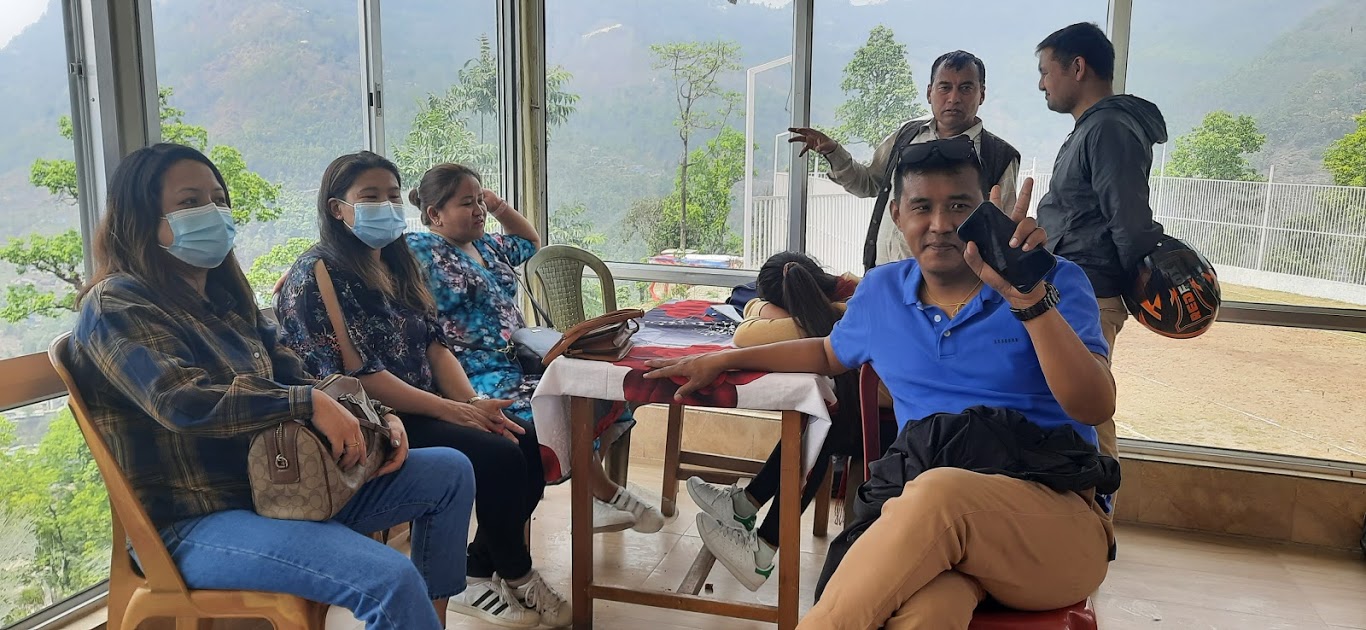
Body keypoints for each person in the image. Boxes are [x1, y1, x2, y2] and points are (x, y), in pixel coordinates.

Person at [645, 137, 1116, 629]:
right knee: (926, 613)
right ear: (896, 214)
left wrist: (1029, 301)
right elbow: (827, 353)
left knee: (940, 495)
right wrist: (725, 359)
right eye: (922, 207)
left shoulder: (1054, 282)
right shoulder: (882, 291)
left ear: (986, 212)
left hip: (1055, 522)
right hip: (934, 535)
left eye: (960, 206)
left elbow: (1094, 406)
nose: (941, 224)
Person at [69, 143, 476, 630]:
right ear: (141, 218)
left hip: (284, 491)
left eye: (219, 199)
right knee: (389, 576)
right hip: (195, 520)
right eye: (190, 202)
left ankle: (426, 621)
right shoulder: (116, 304)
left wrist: (377, 415)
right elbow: (180, 400)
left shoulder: (226, 299)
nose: (212, 212)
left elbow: (298, 373)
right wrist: (305, 404)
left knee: (450, 471)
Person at [274, 152, 562, 628]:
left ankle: (482, 567)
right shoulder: (319, 273)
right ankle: (517, 573)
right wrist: (454, 412)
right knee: (499, 456)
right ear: (336, 208)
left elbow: (434, 344)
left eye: (392, 195)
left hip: (418, 405)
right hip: (365, 418)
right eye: (370, 196)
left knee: (524, 439)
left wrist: (472, 403)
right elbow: (362, 377)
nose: (386, 206)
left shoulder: (397, 262)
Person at [403, 162, 664, 536]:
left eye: (479, 200)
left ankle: (592, 493)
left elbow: (529, 241)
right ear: (434, 214)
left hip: (522, 359)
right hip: (475, 372)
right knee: (548, 410)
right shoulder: (421, 248)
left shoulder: (486, 245)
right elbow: (381, 260)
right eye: (466, 203)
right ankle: (601, 493)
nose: (478, 210)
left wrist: (498, 207)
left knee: (592, 392)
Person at [685, 251, 891, 591]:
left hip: (895, 427)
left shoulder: (845, 316)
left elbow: (747, 335)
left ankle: (760, 547)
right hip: (881, 416)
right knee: (819, 419)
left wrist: (762, 309)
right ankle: (745, 509)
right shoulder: (855, 291)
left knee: (821, 425)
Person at [1035, 22, 1168, 462]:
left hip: (1089, 293)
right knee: (1065, 398)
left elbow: (1128, 220)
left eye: (1046, 72)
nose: (1042, 84)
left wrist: (1135, 280)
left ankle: (1100, 501)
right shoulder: (1093, 127)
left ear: (1077, 68)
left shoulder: (1109, 127)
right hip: (1072, 287)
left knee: (1088, 403)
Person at [790, 50, 1022, 270]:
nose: (954, 98)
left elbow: (998, 241)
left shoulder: (998, 156)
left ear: (982, 94)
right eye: (945, 87)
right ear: (929, 92)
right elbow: (869, 184)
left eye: (966, 88)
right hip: (884, 275)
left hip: (948, 288)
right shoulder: (907, 135)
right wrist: (834, 153)